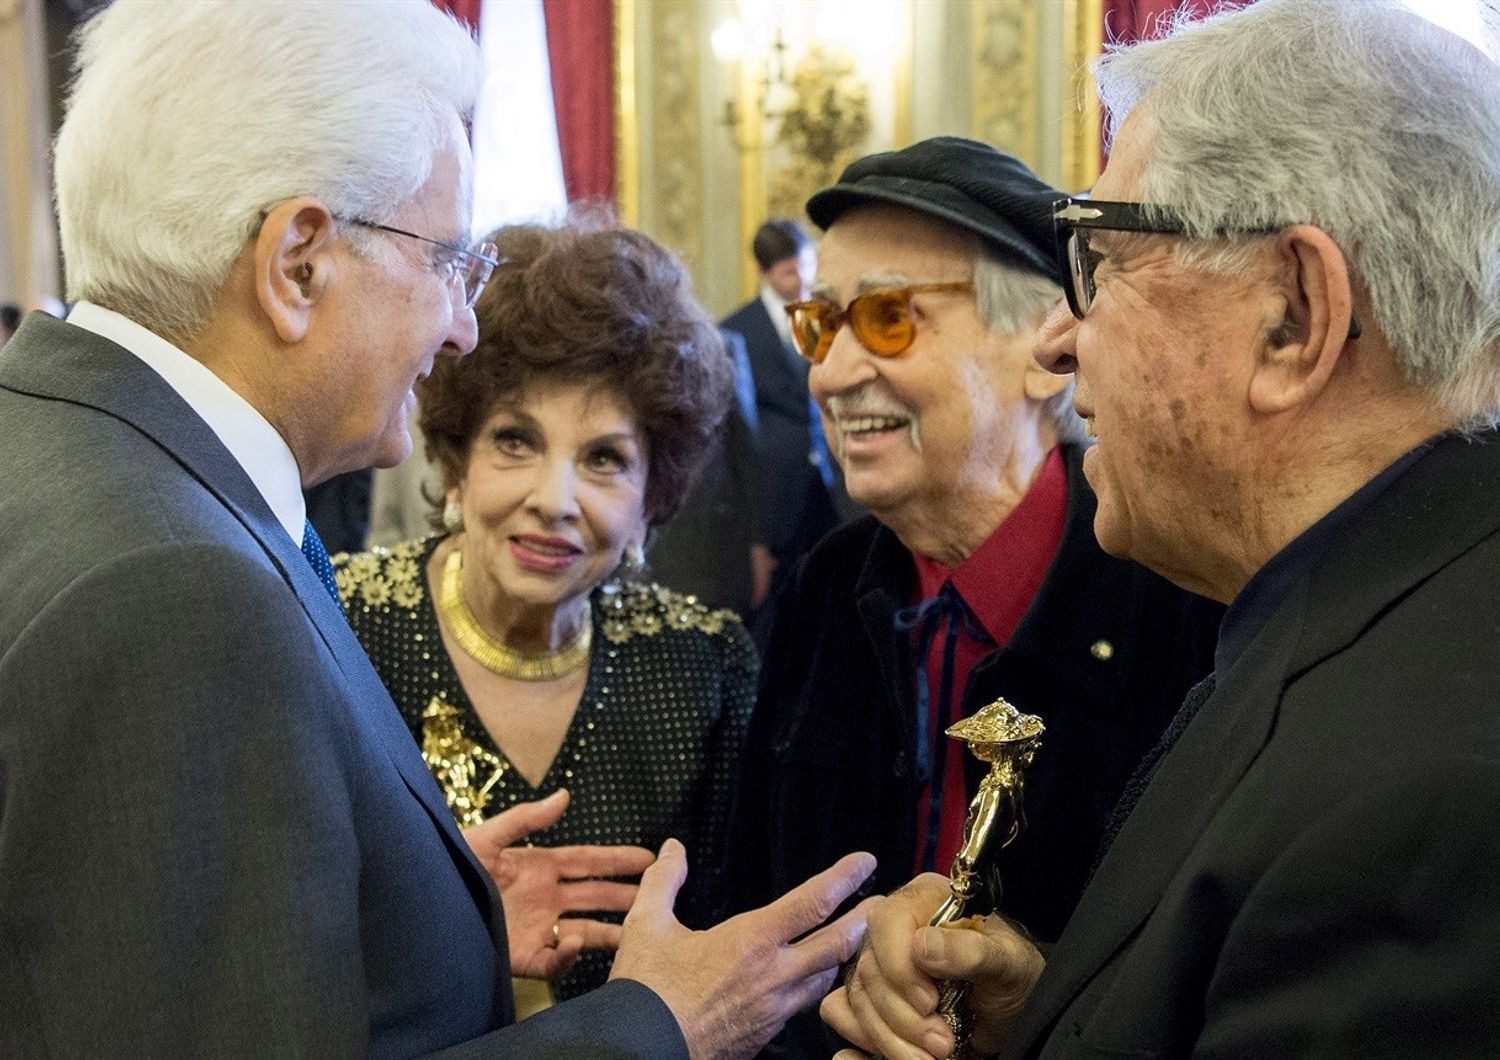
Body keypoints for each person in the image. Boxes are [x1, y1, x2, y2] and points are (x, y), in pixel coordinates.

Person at [0, 3, 874, 1057]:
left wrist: (420, 924)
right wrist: (659, 1025)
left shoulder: (60, 441)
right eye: (446, 261)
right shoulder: (182, 587)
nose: (459, 323)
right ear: (298, 266)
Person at [824, 3, 1500, 1058]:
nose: (1060, 335)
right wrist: (1054, 1018)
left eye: (1100, 260)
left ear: (1294, 317)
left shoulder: (1420, 807)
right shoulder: (1363, 613)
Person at [729, 137, 1221, 1057]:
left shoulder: (1176, 593)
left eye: (885, 317)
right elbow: (755, 902)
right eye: (816, 327)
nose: (829, 375)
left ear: (1047, 353)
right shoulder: (823, 592)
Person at [334, 220, 757, 1006]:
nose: (553, 501)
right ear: (456, 460)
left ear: (650, 500)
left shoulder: (704, 668)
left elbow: (725, 964)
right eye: (515, 441)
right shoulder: (338, 630)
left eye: (604, 459)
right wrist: (442, 922)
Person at [721, 219, 856, 634]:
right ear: (765, 274)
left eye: (807, 267)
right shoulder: (735, 331)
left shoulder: (825, 318)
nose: (803, 280)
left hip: (833, 486)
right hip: (775, 496)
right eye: (789, 272)